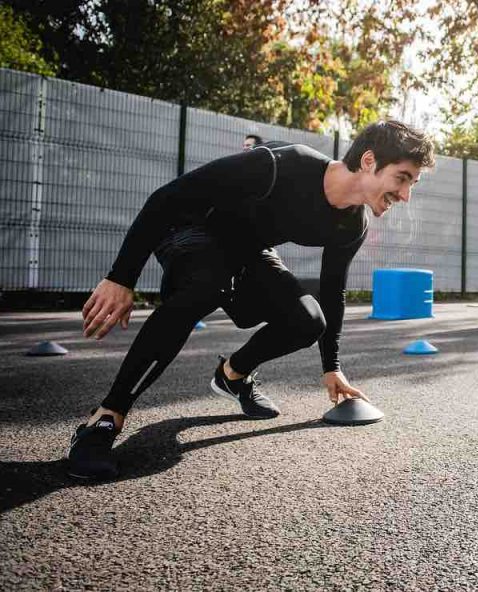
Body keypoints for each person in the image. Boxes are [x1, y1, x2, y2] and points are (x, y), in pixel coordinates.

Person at [67, 121, 435, 481]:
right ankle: (104, 419)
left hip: (247, 249)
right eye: (402, 179)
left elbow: (332, 291)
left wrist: (332, 366)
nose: (406, 195)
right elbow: (167, 198)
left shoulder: (352, 226)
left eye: (412, 184)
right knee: (205, 285)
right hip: (190, 231)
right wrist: (121, 278)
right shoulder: (279, 165)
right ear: (369, 161)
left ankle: (232, 375)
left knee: (308, 319)